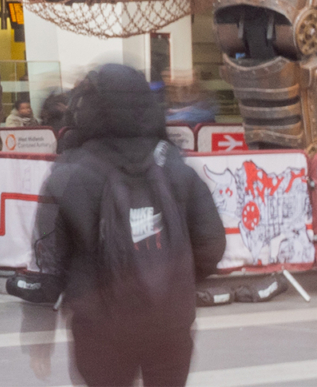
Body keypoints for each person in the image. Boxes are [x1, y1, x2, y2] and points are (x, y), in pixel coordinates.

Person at [30, 64, 226, 387]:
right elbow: (212, 244)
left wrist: (39, 329)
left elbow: (48, 259)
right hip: (170, 323)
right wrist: (174, 275)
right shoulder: (176, 167)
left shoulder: (69, 174)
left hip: (99, 326)